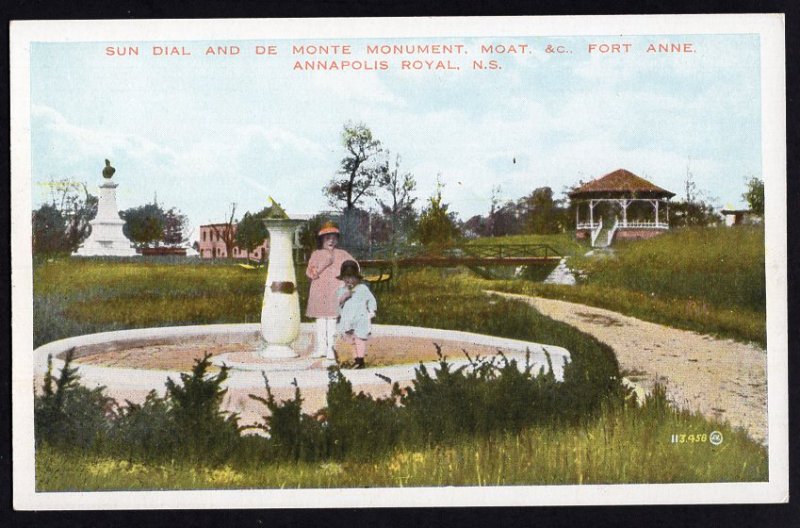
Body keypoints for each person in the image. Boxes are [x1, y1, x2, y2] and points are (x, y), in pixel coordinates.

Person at [305, 222, 356, 360]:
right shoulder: (316, 254)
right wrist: (324, 264)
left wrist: (347, 283)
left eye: (334, 238)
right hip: (319, 291)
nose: (331, 241)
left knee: (333, 320)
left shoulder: (343, 254)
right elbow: (311, 273)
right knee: (321, 319)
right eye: (327, 238)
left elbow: (354, 267)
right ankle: (321, 347)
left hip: (335, 290)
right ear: (322, 239)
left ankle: (331, 349)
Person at [336, 260, 377, 369]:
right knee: (351, 340)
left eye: (352, 277)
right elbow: (338, 303)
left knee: (360, 338)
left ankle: (360, 359)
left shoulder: (362, 289)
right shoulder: (341, 290)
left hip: (360, 318)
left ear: (357, 278)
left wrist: (372, 310)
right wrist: (345, 296)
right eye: (346, 277)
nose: (349, 280)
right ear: (342, 278)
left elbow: (371, 299)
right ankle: (356, 359)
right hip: (348, 319)